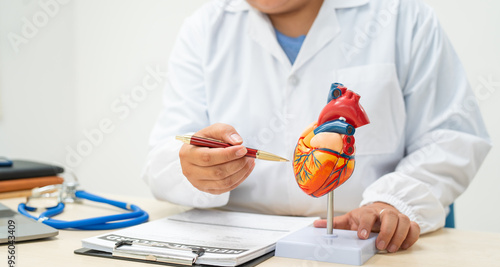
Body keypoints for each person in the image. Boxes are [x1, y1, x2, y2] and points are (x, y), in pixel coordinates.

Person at [142, 0, 491, 253]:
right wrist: (192, 167)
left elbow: (452, 138)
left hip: (369, 248)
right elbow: (166, 152)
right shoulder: (204, 29)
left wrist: (393, 201)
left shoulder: (403, 16)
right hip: (244, 251)